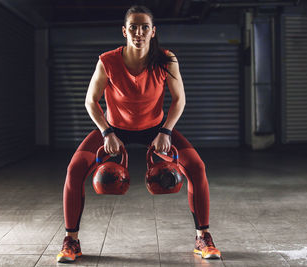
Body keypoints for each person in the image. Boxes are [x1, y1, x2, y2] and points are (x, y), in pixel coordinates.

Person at [56, 5, 222, 263]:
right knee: (74, 169)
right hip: (113, 129)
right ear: (124, 31)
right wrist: (107, 132)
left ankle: (203, 237)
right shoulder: (107, 61)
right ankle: (71, 241)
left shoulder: (167, 60)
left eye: (145, 27)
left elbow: (179, 100)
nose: (139, 32)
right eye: (133, 27)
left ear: (153, 31)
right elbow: (91, 101)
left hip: (156, 129)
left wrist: (166, 131)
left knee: (197, 167)